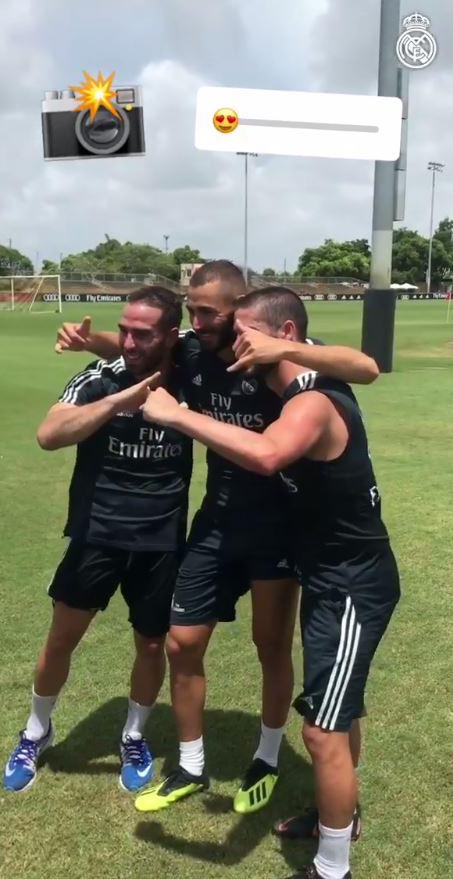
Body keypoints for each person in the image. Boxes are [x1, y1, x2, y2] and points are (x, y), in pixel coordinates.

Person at [56, 263, 379, 816]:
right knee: (181, 641)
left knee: (270, 646)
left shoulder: (272, 347)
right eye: (192, 307)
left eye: (207, 311)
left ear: (236, 310)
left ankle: (268, 756)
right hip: (216, 520)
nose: (196, 319)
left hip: (279, 524)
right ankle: (191, 762)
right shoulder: (193, 350)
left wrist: (286, 354)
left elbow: (365, 366)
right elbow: (150, 346)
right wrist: (95, 340)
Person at [140, 286, 399, 879]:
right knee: (338, 708)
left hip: (353, 584)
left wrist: (179, 416)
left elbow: (266, 456)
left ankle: (333, 868)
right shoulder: (286, 387)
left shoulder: (310, 402)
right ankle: (337, 814)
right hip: (328, 576)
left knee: (323, 730)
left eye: (241, 332)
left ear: (284, 338)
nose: (231, 342)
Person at [3, 286, 193, 794]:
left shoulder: (193, 376)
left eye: (143, 334)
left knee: (152, 645)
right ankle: (36, 730)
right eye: (124, 331)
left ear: (172, 336)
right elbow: (49, 434)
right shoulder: (98, 378)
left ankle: (134, 735)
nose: (129, 342)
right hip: (97, 533)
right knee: (62, 638)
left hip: (161, 539)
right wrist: (117, 403)